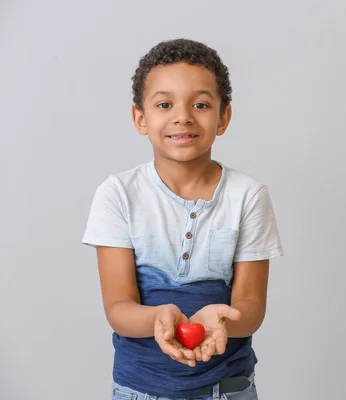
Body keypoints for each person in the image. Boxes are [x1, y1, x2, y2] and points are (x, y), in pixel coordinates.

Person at [82, 38, 284, 399]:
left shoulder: (248, 195)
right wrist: (161, 319)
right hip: (139, 391)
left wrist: (222, 320)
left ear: (223, 117)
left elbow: (251, 306)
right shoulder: (118, 194)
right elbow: (118, 307)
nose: (183, 116)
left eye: (201, 104)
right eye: (164, 104)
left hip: (230, 390)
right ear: (140, 118)